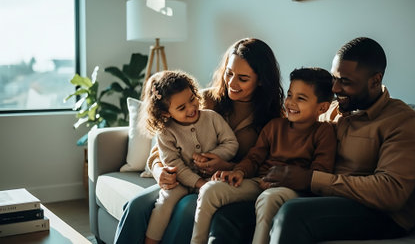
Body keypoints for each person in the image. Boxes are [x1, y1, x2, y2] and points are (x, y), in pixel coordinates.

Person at [113, 37, 285, 244]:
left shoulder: (274, 117)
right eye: (229, 73)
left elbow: (266, 167)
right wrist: (159, 170)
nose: (232, 83)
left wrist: (228, 166)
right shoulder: (201, 100)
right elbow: (162, 147)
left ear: (261, 80)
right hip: (183, 177)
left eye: (243, 78)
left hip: (222, 185)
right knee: (136, 206)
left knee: (187, 208)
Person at [266, 37, 415, 243]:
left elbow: (391, 191)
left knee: (292, 214)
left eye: (345, 82)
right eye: (334, 78)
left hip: (380, 215)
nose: (334, 88)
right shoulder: (331, 111)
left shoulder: (402, 122)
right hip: (324, 199)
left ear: (375, 80)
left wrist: (311, 179)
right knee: (236, 212)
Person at [191, 67, 337, 244]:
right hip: (260, 181)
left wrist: (284, 179)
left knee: (269, 199)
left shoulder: (325, 132)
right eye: (290, 95)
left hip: (293, 190)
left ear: (322, 107)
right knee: (210, 190)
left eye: (301, 98)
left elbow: (320, 172)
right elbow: (254, 157)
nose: (290, 102)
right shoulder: (275, 126)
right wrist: (239, 172)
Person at [139, 70, 239, 244]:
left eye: (192, 99)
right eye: (181, 108)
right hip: (181, 180)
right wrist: (199, 183)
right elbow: (173, 162)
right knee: (164, 202)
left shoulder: (212, 118)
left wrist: (212, 156)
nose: (191, 108)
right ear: (165, 113)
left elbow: (231, 144)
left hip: (213, 177)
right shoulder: (165, 132)